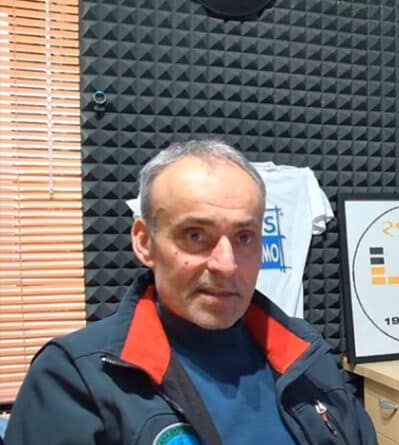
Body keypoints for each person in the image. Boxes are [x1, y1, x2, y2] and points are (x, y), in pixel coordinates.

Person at [5, 140, 378, 445]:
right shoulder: (75, 379)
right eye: (195, 235)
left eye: (245, 237)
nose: (226, 264)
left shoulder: (306, 352)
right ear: (144, 242)